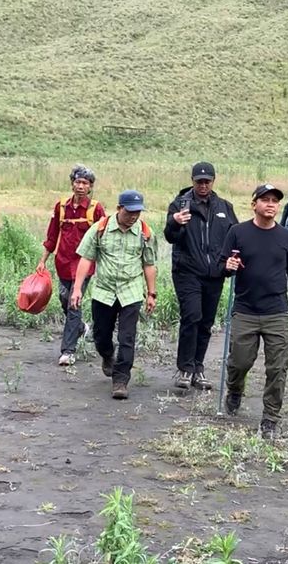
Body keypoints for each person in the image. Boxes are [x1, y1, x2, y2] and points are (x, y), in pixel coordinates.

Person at [221, 184, 288, 440]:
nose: (270, 204)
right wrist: (228, 265)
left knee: (278, 368)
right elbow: (222, 265)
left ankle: (270, 418)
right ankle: (235, 390)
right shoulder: (237, 232)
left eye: (274, 201)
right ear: (254, 204)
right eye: (265, 200)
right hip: (245, 310)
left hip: (277, 312)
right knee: (239, 362)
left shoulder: (287, 237)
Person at [71, 190, 157, 400]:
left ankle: (120, 380)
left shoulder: (145, 233)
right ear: (119, 208)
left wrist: (151, 293)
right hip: (104, 291)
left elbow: (149, 264)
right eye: (129, 212)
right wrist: (77, 289)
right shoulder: (100, 229)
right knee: (101, 335)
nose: (134, 216)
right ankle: (107, 355)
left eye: (137, 212)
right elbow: (86, 259)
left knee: (127, 337)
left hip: (131, 291)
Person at [165, 162, 238, 390]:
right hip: (187, 271)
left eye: (207, 181)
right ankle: (185, 368)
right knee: (192, 316)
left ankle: (198, 367)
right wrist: (174, 222)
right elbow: (170, 237)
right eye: (199, 181)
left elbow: (234, 236)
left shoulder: (224, 207)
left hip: (214, 273)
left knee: (206, 322)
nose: (203, 185)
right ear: (193, 181)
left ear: (213, 181)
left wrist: (229, 261)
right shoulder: (180, 205)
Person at [38, 165, 105, 366]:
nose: (80, 186)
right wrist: (42, 261)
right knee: (63, 297)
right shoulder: (61, 207)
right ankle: (80, 328)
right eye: (77, 182)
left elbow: (104, 238)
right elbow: (52, 236)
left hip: (84, 266)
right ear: (72, 183)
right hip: (63, 263)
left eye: (85, 183)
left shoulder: (96, 209)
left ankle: (68, 351)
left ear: (91, 186)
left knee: (73, 302)